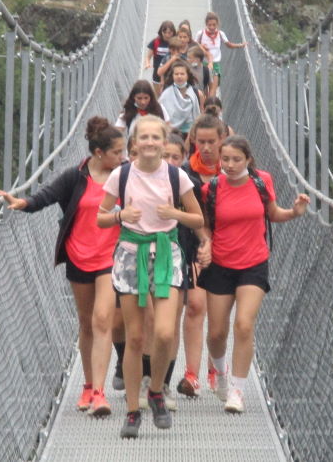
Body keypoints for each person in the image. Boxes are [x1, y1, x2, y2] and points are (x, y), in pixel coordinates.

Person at [0, 117, 126, 418]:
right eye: (117, 152)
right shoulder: (75, 177)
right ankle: (88, 385)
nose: (123, 157)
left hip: (111, 257)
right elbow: (46, 197)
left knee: (103, 319)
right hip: (79, 255)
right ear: (98, 153)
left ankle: (100, 394)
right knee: (86, 321)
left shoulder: (125, 176)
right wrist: (22, 202)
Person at [97, 116, 206, 439]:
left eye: (154, 138)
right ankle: (133, 410)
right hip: (131, 255)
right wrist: (120, 215)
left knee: (163, 334)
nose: (149, 142)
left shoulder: (177, 176)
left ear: (163, 142)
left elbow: (197, 217)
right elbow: (101, 218)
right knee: (135, 338)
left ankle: (156, 389)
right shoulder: (121, 174)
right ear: (133, 144)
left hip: (166, 254)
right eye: (142, 137)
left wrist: (175, 215)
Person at [199, 135, 310, 414]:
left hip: (253, 263)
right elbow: (205, 225)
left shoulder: (262, 182)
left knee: (245, 325)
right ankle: (221, 375)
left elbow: (272, 214)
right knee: (215, 333)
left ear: (248, 159)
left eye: (237, 159)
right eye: (225, 159)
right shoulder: (211, 188)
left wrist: (294, 212)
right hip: (221, 264)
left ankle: (237, 391)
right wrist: (207, 245)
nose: (230, 164)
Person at [175, 114, 225, 398]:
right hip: (193, 245)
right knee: (195, 306)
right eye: (200, 142)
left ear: (221, 141)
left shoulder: (233, 169)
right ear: (193, 141)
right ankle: (191, 374)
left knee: (219, 315)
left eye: (211, 142)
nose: (205, 148)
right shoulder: (184, 174)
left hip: (228, 247)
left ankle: (215, 369)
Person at [196, 11, 246, 99]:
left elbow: (228, 44)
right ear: (206, 24)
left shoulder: (220, 34)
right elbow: (194, 45)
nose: (211, 27)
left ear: (217, 24)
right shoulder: (201, 33)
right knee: (204, 89)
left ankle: (210, 107)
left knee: (213, 89)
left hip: (215, 65)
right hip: (203, 64)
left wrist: (240, 45)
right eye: (209, 25)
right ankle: (205, 106)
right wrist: (201, 46)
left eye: (214, 25)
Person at [159, 60, 203, 135]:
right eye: (176, 74)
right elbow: (161, 113)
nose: (179, 76)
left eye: (182, 74)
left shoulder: (197, 94)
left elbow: (201, 112)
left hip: (191, 134)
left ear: (187, 76)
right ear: (172, 76)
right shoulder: (166, 94)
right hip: (172, 133)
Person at [144, 21, 177, 93]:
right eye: (165, 32)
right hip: (157, 75)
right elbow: (148, 56)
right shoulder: (155, 42)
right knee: (158, 97)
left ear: (173, 32)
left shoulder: (176, 43)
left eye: (169, 33)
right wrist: (147, 63)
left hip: (172, 75)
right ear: (161, 32)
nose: (167, 35)